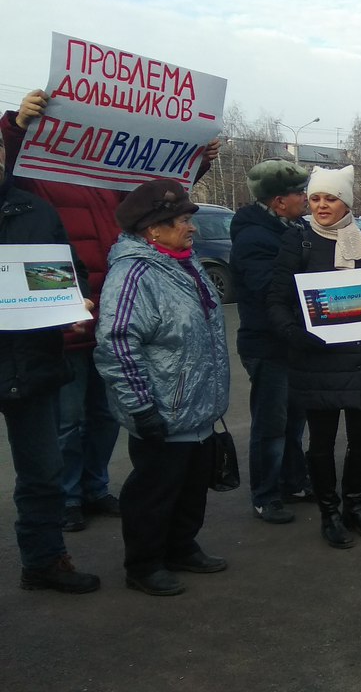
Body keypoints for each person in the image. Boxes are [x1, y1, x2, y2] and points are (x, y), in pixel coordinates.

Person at [2, 89, 219, 533]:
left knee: (105, 416)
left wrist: (196, 158)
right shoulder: (41, 179)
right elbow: (10, 167)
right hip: (65, 316)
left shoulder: (114, 184)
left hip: (114, 309)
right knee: (68, 419)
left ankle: (95, 488)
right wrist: (17, 126)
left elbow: (161, 190)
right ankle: (65, 498)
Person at [96, 179, 231, 596]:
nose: (191, 227)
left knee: (191, 487)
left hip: (198, 406)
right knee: (154, 492)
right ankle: (144, 564)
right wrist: (140, 407)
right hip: (162, 408)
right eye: (182, 220)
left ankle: (180, 547)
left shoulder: (183, 263)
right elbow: (117, 341)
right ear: (153, 229)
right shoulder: (133, 272)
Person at [267, 165, 361, 548]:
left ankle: (354, 505)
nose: (321, 205)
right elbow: (275, 300)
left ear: (347, 202)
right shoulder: (299, 241)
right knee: (322, 443)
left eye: (331, 198)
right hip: (319, 360)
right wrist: (294, 333)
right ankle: (329, 511)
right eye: (315, 198)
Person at [1, 138, 100, 594]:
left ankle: (43, 561)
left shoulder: (34, 210)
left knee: (42, 472)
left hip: (32, 362)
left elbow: (65, 269)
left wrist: (72, 300)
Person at [230, 159, 313, 524]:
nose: (306, 199)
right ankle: (265, 494)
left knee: (294, 419)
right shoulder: (254, 238)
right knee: (271, 424)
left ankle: (293, 481)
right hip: (267, 343)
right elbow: (270, 291)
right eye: (300, 193)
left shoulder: (290, 228)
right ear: (279, 201)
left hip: (292, 342)